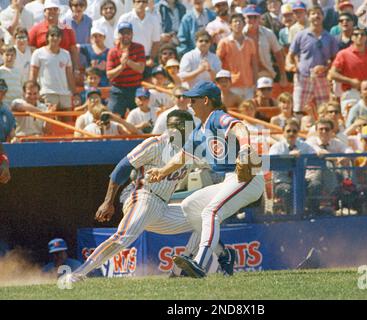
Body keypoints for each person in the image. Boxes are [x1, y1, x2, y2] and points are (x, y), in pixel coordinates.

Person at [66, 110, 236, 282]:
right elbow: (123, 168)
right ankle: (79, 273)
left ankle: (184, 270)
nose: (175, 129)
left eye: (181, 126)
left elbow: (217, 163)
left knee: (204, 217)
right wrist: (108, 202)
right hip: (144, 196)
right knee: (123, 238)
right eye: (172, 125)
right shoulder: (155, 143)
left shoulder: (191, 151)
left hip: (162, 207)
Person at [146, 81, 265, 278]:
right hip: (231, 179)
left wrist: (244, 148)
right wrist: (162, 171)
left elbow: (239, 127)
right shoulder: (200, 129)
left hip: (248, 178)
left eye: (193, 99)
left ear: (206, 100)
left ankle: (200, 263)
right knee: (190, 205)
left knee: (210, 211)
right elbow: (182, 157)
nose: (189, 103)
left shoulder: (216, 117)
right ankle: (224, 254)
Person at [289, 5, 339, 115]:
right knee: (298, 110)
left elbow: (335, 59)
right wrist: (292, 66)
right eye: (313, 13)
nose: (316, 16)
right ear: (308, 16)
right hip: (303, 78)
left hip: (322, 79)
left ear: (323, 17)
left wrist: (326, 68)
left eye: (319, 14)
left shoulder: (330, 37)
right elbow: (290, 54)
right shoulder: (300, 35)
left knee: (324, 110)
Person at [329, 26, 367, 117]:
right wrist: (350, 81)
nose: (359, 37)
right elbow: (332, 74)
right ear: (352, 37)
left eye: (362, 34)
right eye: (356, 34)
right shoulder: (343, 54)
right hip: (351, 93)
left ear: (366, 37)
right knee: (350, 119)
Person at [269, 119, 315, 214]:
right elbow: (272, 163)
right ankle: (292, 216)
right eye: (288, 131)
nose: (291, 133)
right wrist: (288, 157)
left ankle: (312, 214)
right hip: (282, 181)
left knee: (315, 186)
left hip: (301, 180)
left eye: (294, 131)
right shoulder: (276, 147)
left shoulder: (304, 146)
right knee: (288, 190)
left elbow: (314, 156)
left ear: (298, 132)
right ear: (283, 132)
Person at [28, 0, 81, 79]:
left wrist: (76, 69)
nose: (52, 11)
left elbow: (73, 50)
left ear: (59, 12)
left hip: (63, 70)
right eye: (49, 9)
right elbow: (30, 50)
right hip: (43, 71)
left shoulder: (68, 30)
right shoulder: (35, 30)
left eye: (55, 9)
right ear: (44, 11)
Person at [30, 25, 76, 110]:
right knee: (49, 122)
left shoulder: (66, 54)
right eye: (52, 35)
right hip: (47, 93)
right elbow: (33, 75)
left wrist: (74, 92)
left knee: (67, 122)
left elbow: (69, 75)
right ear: (47, 37)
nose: (55, 38)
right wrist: (34, 93)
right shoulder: (38, 53)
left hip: (64, 94)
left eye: (58, 36)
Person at [106, 21, 145, 117]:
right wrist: (121, 66)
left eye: (128, 33)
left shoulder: (139, 48)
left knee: (139, 116)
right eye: (123, 33)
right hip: (118, 89)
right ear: (118, 35)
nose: (125, 35)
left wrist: (127, 61)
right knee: (113, 117)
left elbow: (141, 69)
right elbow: (109, 75)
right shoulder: (112, 51)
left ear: (132, 34)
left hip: (135, 88)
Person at [243, 4, 288, 86]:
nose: (252, 20)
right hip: (245, 73)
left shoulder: (268, 33)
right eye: (249, 17)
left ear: (260, 18)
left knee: (265, 95)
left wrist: (283, 75)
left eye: (255, 17)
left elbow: (278, 54)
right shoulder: (240, 34)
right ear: (245, 18)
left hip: (265, 71)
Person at [216, 12, 257, 100]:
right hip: (232, 85)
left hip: (248, 85)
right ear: (230, 25)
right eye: (235, 22)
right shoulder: (224, 42)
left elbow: (254, 64)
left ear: (244, 24)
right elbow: (217, 64)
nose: (237, 24)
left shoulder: (250, 42)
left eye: (240, 21)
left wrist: (255, 83)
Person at [116, 0, 161, 75]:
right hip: (128, 56)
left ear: (147, 4)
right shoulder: (125, 18)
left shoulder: (153, 19)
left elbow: (156, 42)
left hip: (146, 58)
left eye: (144, 2)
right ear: (133, 3)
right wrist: (124, 55)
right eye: (138, 1)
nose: (141, 4)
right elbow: (117, 39)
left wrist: (151, 59)